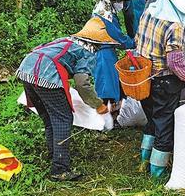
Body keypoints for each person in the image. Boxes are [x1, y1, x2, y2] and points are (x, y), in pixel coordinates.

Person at [16, 17, 114, 181]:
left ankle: (54, 155)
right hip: (45, 76)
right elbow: (82, 83)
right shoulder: (88, 51)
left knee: (49, 117)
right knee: (63, 118)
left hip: (26, 69)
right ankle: (59, 170)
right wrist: (98, 105)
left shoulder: (68, 40)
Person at [134, 0, 185, 178]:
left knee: (152, 121)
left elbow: (137, 41)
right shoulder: (174, 25)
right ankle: (157, 171)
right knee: (165, 125)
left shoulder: (149, 12)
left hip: (144, 77)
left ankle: (144, 160)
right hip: (164, 81)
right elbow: (174, 62)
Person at [91, 0, 137, 114]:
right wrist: (132, 43)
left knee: (109, 81)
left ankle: (111, 113)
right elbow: (116, 35)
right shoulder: (105, 13)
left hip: (106, 48)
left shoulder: (105, 7)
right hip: (103, 51)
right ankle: (105, 115)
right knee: (106, 84)